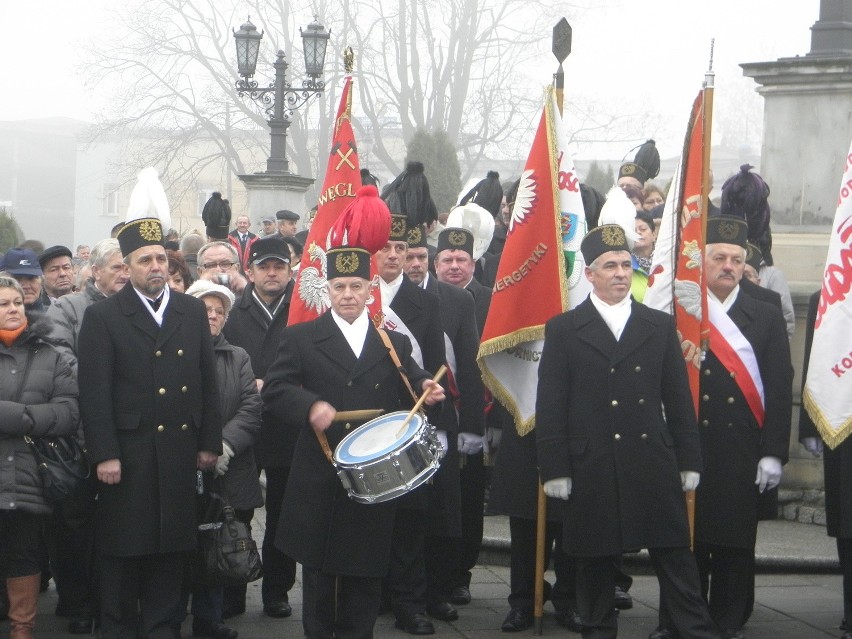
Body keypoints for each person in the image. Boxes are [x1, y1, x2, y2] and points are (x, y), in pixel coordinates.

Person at [536, 224, 721, 639]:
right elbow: (550, 404)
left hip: (650, 460)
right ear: (590, 274)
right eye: (610, 266)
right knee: (596, 566)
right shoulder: (564, 329)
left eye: (626, 264)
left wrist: (689, 458)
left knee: (675, 558)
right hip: (593, 464)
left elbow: (677, 401)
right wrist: (555, 468)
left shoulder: (657, 326)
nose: (620, 272)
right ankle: (599, 631)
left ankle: (694, 631)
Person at [262, 242, 445, 639]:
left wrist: (425, 388)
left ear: (370, 288)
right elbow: (274, 389)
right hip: (321, 473)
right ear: (327, 289)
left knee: (365, 573)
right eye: (340, 286)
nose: (348, 295)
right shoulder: (301, 337)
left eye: (356, 286)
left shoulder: (391, 343)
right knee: (320, 578)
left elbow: (411, 380)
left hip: (372, 477)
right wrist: (310, 405)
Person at [77, 214, 223, 639]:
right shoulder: (104, 317)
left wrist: (208, 441)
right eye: (144, 260)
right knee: (123, 553)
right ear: (127, 267)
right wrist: (104, 453)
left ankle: (162, 628)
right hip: (129, 453)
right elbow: (94, 394)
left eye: (161, 258)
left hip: (179, 452)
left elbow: (206, 381)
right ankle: (118, 629)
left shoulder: (191, 310)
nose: (156, 266)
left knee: (171, 551)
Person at [689, 216, 792, 639]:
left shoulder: (764, 312)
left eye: (736, 258)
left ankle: (729, 618)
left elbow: (779, 385)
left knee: (733, 539)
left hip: (741, 446)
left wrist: (773, 452)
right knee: (688, 539)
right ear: (702, 261)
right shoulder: (681, 307)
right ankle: (683, 617)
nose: (728, 266)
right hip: (692, 441)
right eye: (719, 257)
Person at [0, 274, 79, 639]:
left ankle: (22, 630)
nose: (13, 309)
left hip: (31, 476)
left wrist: (17, 417)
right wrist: (31, 416)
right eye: (3, 304)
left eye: (17, 302)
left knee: (25, 556)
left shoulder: (50, 353)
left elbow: (68, 413)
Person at [182, 280, 263, 639]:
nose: (212, 316)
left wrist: (222, 447)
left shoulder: (238, 356)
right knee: (179, 545)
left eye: (219, 311)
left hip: (226, 470)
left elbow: (250, 408)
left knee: (215, 543)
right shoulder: (173, 353)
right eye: (205, 309)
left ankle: (209, 620)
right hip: (180, 467)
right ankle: (170, 615)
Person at [222, 236, 296, 620]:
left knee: (284, 516)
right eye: (264, 266)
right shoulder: (234, 312)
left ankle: (277, 592)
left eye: (279, 266)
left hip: (286, 428)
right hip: (244, 429)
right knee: (238, 512)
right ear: (249, 272)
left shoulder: (303, 310)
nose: (272, 273)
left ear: (290, 269)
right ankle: (232, 588)